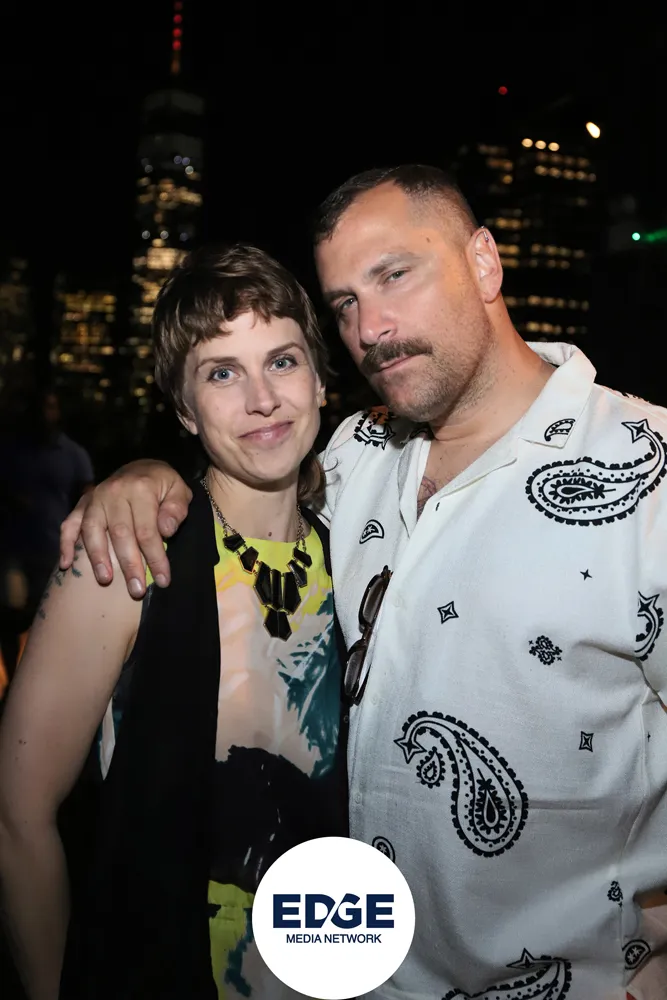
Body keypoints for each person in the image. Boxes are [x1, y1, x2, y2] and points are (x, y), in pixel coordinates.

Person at [56, 165, 667, 1000]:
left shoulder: (647, 472)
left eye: (394, 275)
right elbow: (244, 485)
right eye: (343, 303)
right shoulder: (354, 455)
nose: (369, 327)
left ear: (483, 262)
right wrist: (143, 477)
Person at [0, 244, 347, 1000]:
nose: (262, 398)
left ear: (321, 381)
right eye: (222, 373)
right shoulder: (126, 560)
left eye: (282, 361)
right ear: (185, 410)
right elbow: (18, 818)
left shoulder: (359, 557)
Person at [0, 389, 94, 683]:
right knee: (10, 615)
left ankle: (38, 681)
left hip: (56, 550)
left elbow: (89, 496)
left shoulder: (74, 454)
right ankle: (13, 680)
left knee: (49, 620)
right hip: (14, 548)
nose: (45, 414)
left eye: (51, 406)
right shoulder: (12, 452)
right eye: (40, 407)